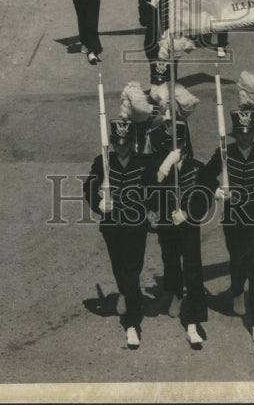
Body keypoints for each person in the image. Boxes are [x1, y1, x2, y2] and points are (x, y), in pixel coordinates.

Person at [204, 75, 254, 349]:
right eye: (241, 134)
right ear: (236, 134)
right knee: (237, 261)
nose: (245, 138)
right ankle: (236, 290)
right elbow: (205, 175)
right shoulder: (224, 153)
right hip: (233, 218)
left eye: (249, 134)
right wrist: (215, 190)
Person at [84, 118, 151, 349]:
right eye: (118, 143)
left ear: (132, 143)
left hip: (136, 225)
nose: (121, 147)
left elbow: (154, 187)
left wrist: (151, 208)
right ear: (112, 142)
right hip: (112, 226)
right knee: (120, 267)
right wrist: (98, 203)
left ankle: (131, 313)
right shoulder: (102, 162)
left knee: (133, 268)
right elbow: (89, 187)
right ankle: (132, 309)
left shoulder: (143, 162)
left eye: (126, 143)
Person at [148, 121, 212, 347]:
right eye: (171, 143)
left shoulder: (197, 167)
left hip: (188, 224)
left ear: (186, 143)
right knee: (170, 260)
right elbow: (150, 187)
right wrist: (165, 166)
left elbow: (205, 197)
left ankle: (193, 323)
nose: (177, 146)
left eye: (180, 142)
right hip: (167, 222)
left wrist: (186, 213)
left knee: (193, 269)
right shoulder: (161, 165)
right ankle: (175, 293)